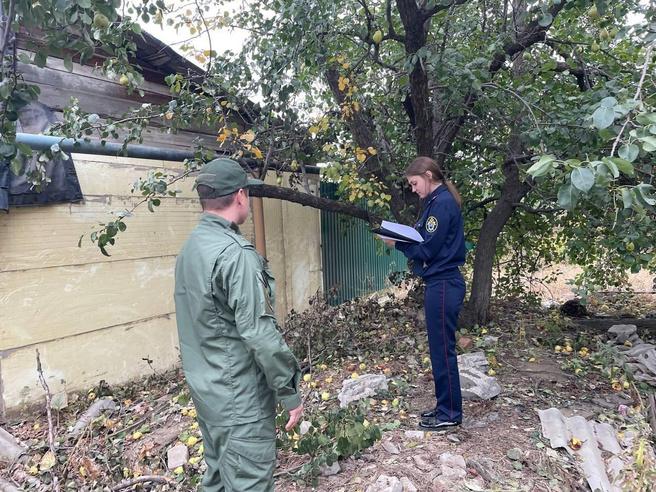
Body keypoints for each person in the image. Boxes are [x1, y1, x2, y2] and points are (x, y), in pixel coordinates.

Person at [174, 158, 303, 491]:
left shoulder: (191, 249)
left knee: (218, 476)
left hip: (209, 393)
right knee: (248, 481)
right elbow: (260, 334)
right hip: (239, 398)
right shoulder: (235, 255)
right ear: (241, 196)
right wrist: (289, 392)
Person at [383, 156, 466, 430]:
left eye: (415, 183)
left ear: (428, 175)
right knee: (439, 349)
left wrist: (397, 243)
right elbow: (424, 238)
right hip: (440, 284)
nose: (413, 189)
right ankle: (444, 407)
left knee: (443, 350)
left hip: (443, 284)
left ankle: (450, 414)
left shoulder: (441, 204)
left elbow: (427, 249)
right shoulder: (434, 202)